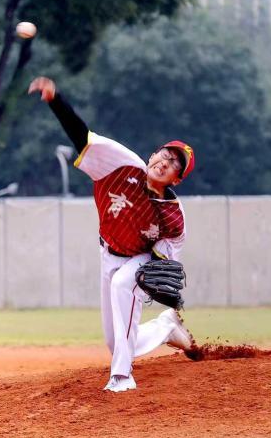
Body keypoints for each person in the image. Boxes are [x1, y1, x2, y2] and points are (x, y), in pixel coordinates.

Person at [29, 76, 195, 392]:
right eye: (165, 154)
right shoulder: (121, 164)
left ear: (177, 179)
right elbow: (83, 139)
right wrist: (55, 100)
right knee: (114, 340)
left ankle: (121, 376)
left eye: (175, 164)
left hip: (140, 259)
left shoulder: (172, 215)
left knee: (123, 284)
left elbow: (165, 260)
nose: (166, 162)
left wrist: (149, 277)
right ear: (153, 154)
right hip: (108, 252)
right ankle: (165, 328)